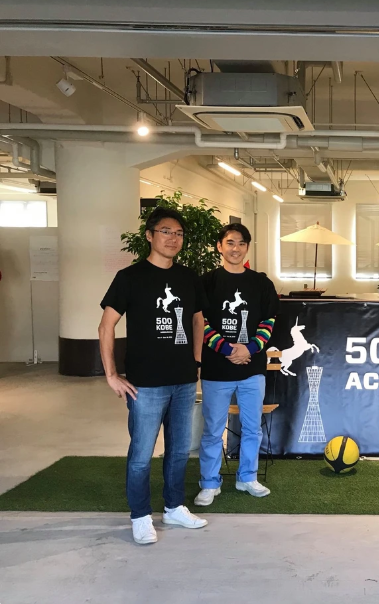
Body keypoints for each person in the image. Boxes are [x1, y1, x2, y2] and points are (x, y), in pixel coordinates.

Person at [99, 207, 208, 545]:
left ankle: (174, 507)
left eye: (178, 233)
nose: (173, 238)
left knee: (179, 451)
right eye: (165, 231)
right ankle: (141, 516)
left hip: (184, 381)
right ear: (149, 235)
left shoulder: (189, 277)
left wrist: (196, 361)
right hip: (144, 385)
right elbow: (106, 326)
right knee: (141, 455)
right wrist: (111, 374)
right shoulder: (129, 278)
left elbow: (198, 320)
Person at [194, 223, 280, 506]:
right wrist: (229, 349)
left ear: (247, 247)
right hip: (217, 371)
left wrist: (250, 349)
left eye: (242, 243)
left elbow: (268, 323)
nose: (236, 248)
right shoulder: (206, 282)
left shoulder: (262, 284)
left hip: (252, 370)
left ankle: (247, 477)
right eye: (230, 242)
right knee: (212, 430)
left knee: (253, 428)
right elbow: (201, 323)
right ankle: (209, 483)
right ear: (219, 246)